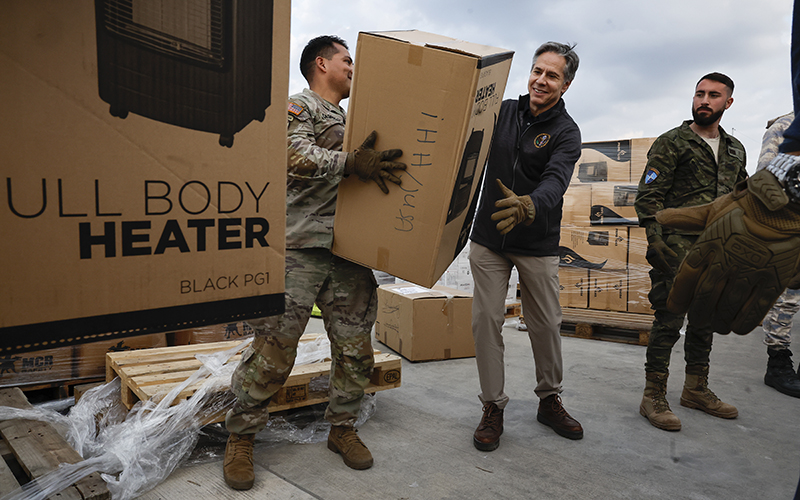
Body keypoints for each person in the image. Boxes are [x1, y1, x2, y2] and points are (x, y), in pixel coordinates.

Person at [222, 35, 407, 490]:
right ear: (321, 64)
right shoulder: (299, 107)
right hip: (301, 249)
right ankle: (241, 436)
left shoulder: (354, 120)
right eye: (347, 59)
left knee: (355, 348)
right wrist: (351, 161)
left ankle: (342, 429)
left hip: (348, 253)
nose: (353, 66)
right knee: (274, 348)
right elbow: (292, 155)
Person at [468, 41, 584, 451]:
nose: (541, 80)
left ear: (565, 85)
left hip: (536, 241)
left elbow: (557, 180)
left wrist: (531, 205)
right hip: (489, 238)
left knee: (546, 323)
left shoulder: (567, 132)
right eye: (538, 71)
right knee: (485, 321)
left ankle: (549, 399)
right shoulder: (502, 113)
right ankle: (493, 406)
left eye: (552, 75)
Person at [634, 72, 747, 432]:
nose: (704, 100)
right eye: (699, 93)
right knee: (669, 320)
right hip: (677, 247)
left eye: (714, 95)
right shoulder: (673, 143)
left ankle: (696, 388)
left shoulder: (735, 149)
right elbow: (648, 198)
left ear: (727, 103)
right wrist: (657, 244)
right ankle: (653, 395)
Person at [755, 113, 800, 398]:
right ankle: (778, 361)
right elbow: (766, 176)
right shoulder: (785, 125)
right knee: (788, 296)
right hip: (792, 222)